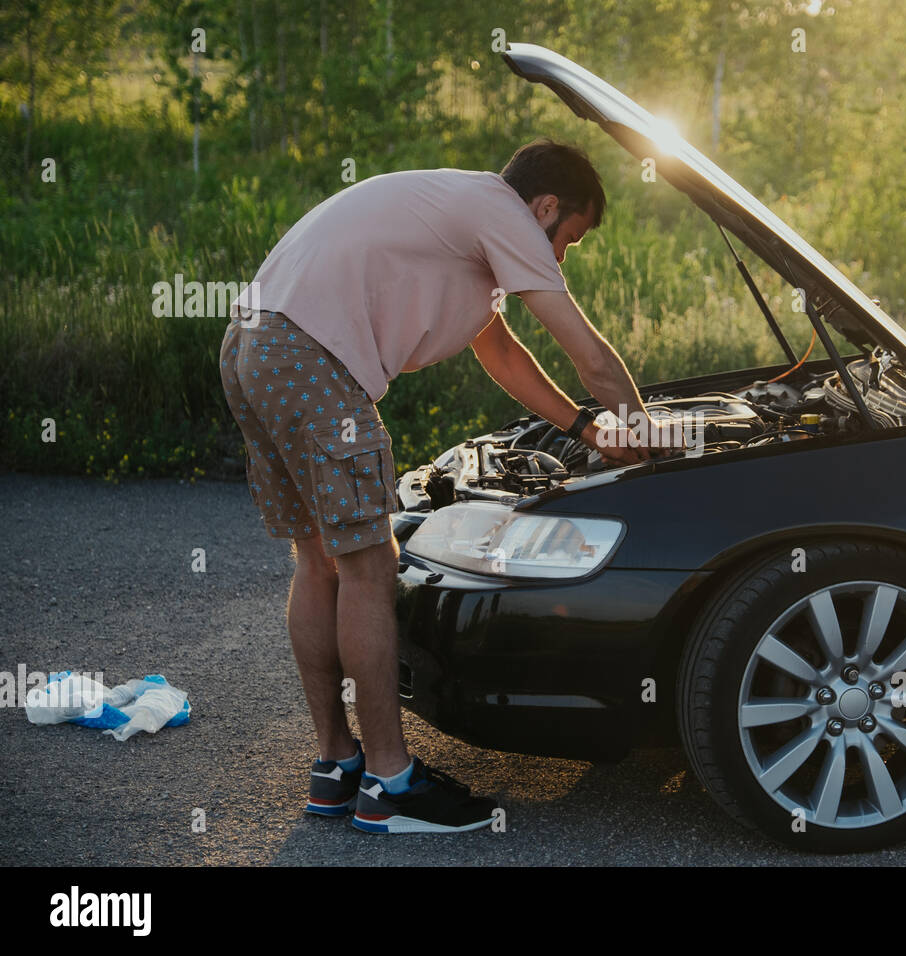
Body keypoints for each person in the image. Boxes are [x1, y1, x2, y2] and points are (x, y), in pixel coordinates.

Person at [220, 140, 671, 833]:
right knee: (370, 568)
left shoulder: (455, 217)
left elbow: (505, 354)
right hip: (312, 360)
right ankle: (393, 784)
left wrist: (585, 429)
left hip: (253, 347)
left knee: (319, 562)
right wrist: (656, 445)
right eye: (570, 238)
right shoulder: (503, 215)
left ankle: (337, 767)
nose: (559, 258)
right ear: (545, 208)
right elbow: (591, 356)